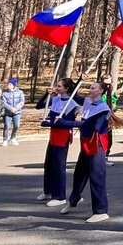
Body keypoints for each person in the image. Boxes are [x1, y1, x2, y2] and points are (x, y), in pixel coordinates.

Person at [56, 79, 123, 222]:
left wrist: (65, 123)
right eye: (90, 87)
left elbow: (93, 126)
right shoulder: (88, 101)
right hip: (86, 144)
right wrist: (81, 78)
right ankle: (74, 200)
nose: (90, 89)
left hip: (97, 146)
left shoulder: (104, 109)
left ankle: (101, 211)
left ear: (100, 91)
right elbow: (73, 94)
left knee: (96, 178)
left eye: (93, 88)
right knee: (79, 174)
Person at [36, 77, 79, 206]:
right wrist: (46, 94)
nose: (57, 88)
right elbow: (39, 106)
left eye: (59, 86)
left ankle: (60, 196)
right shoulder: (55, 99)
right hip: (53, 136)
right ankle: (48, 190)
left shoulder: (72, 104)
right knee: (49, 164)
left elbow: (67, 124)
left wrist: (49, 123)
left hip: (62, 137)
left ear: (66, 88)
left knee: (58, 166)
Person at [2, 77, 24, 145]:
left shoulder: (20, 92)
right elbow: (4, 103)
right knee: (7, 126)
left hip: (17, 112)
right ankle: (5, 139)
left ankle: (13, 138)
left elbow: (22, 101)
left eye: (10, 84)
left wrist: (16, 109)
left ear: (14, 85)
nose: (8, 86)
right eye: (8, 84)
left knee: (16, 125)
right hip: (8, 113)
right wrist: (11, 108)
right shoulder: (4, 93)